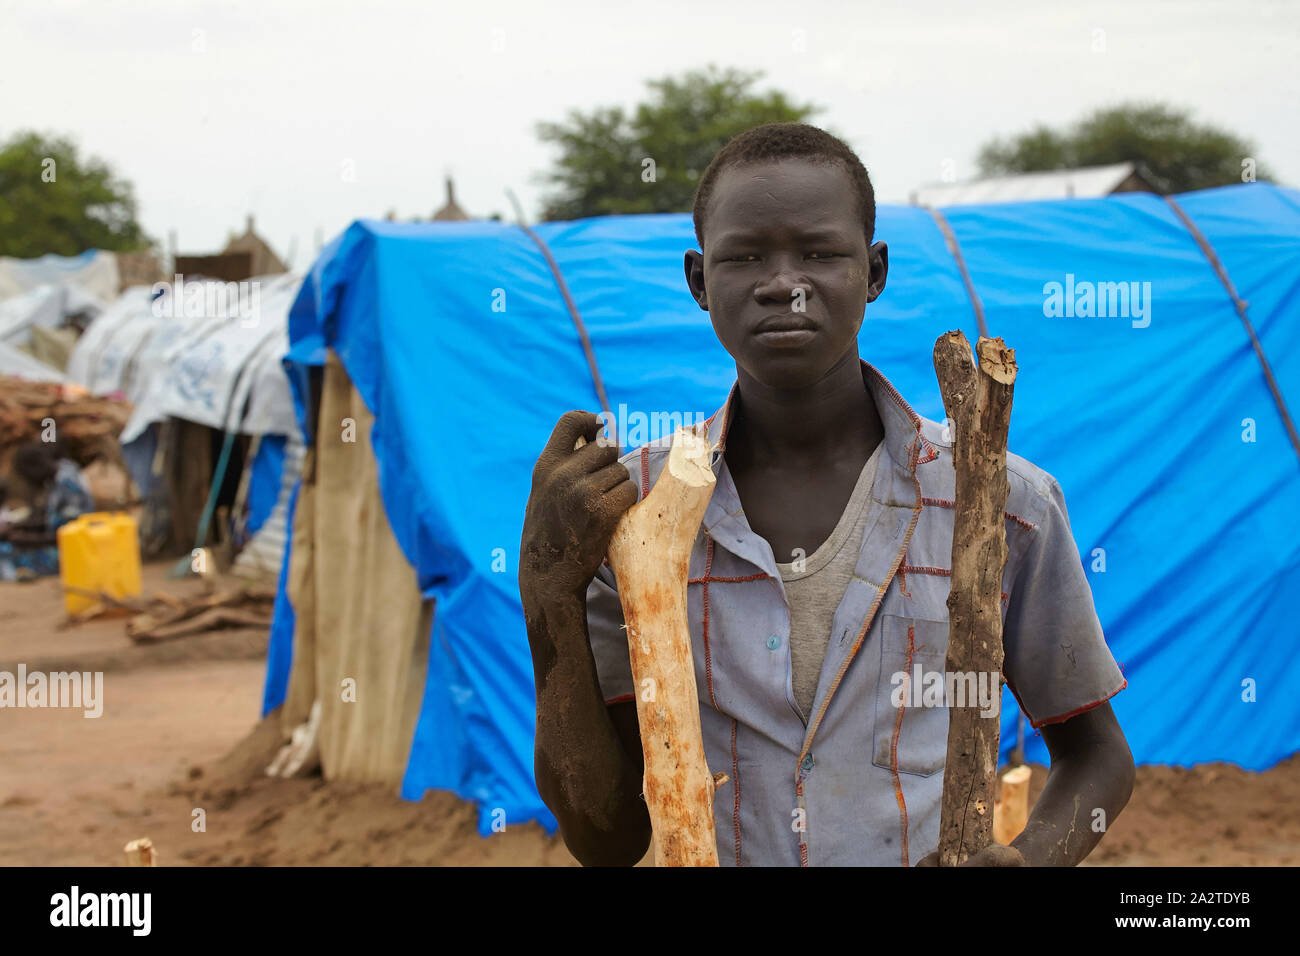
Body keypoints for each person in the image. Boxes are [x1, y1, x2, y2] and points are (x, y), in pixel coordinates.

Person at [519, 123, 1133, 867]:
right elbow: (606, 837)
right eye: (744, 256)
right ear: (698, 280)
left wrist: (1031, 861)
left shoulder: (998, 504)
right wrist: (547, 588)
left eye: (819, 252)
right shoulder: (635, 519)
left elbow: (1098, 759)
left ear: (873, 272)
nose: (784, 282)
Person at [0, 441, 94, 579]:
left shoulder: (68, 485)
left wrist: (28, 539)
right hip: (58, 545)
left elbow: (72, 534)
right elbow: (52, 519)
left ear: (33, 468)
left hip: (70, 553)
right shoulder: (61, 472)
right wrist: (18, 527)